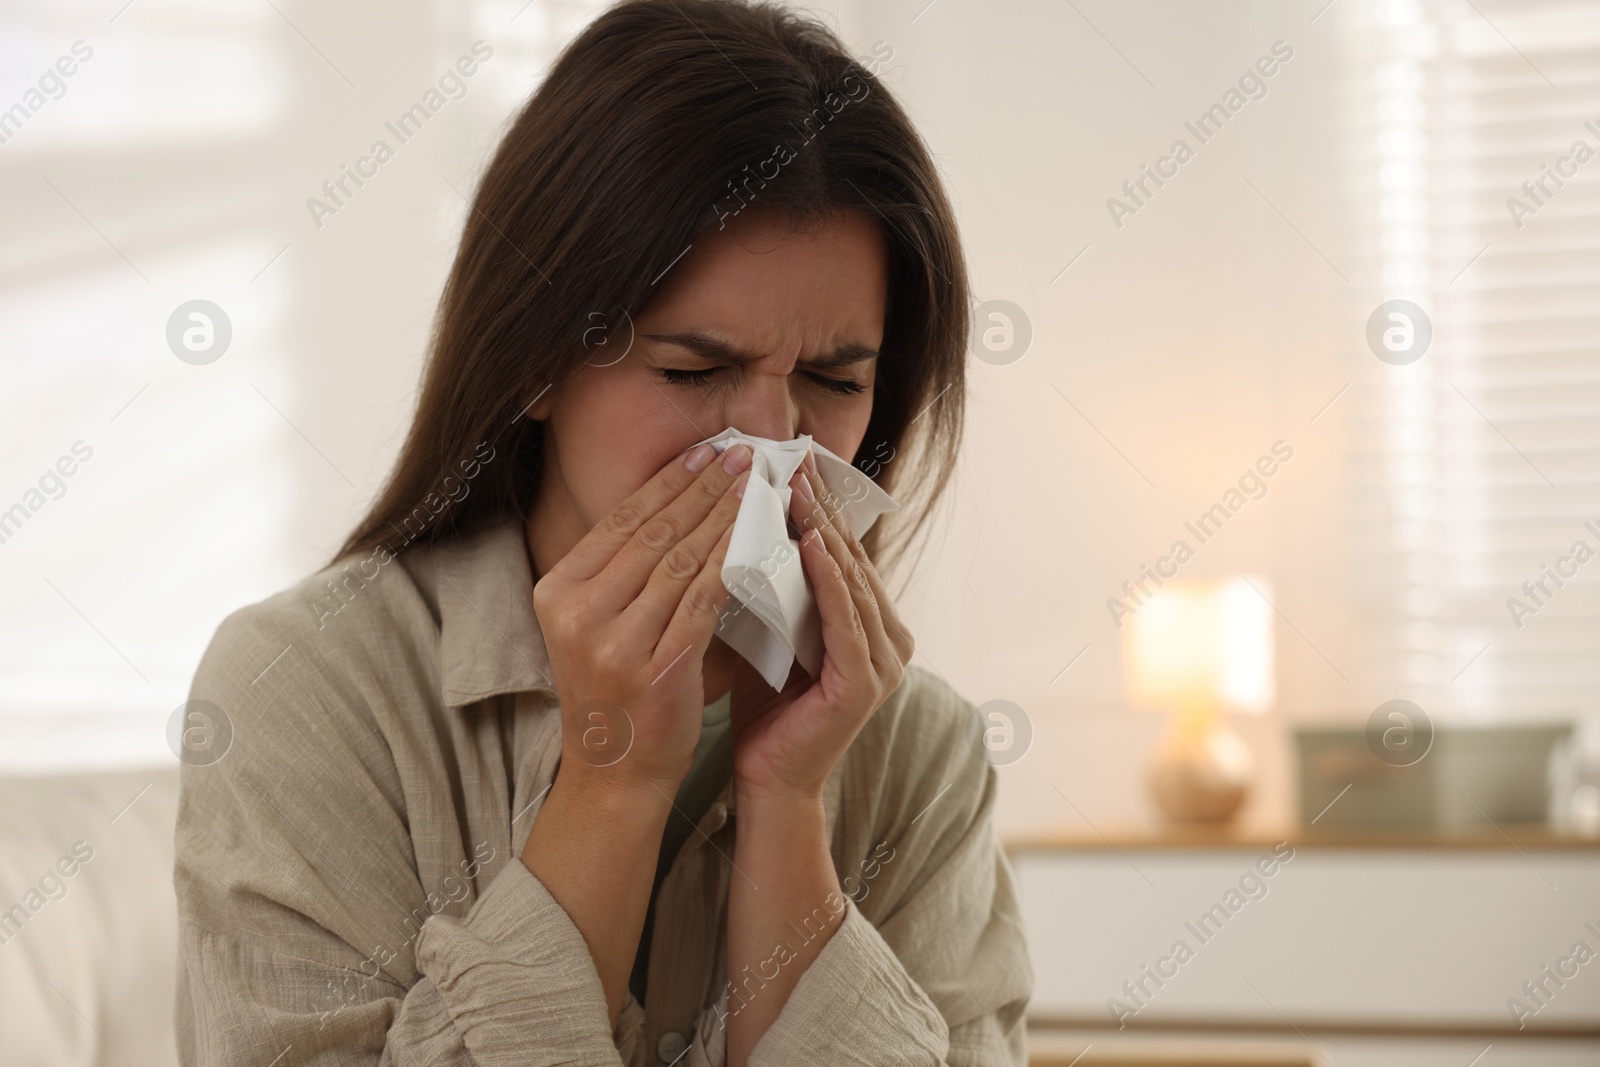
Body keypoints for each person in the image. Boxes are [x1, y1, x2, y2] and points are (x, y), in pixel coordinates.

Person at [173, 1, 1032, 1063]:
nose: (771, 437)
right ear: (536, 359)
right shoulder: (307, 688)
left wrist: (789, 799)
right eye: (692, 370)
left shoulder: (920, 751)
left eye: (833, 379)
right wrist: (612, 779)